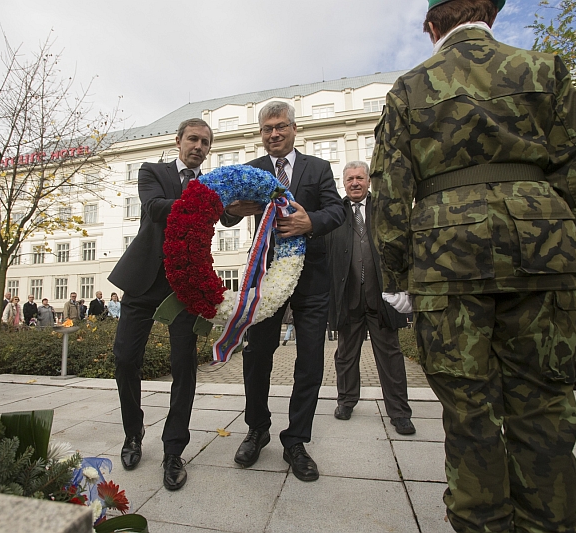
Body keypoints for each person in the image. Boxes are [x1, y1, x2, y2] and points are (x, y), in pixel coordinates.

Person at [369, 1, 576, 531]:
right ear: (488, 13)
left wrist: (396, 275)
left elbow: (391, 188)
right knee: (545, 410)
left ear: (431, 26)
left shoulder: (410, 88)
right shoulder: (544, 69)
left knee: (468, 413)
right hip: (543, 254)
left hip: (447, 262)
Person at [108, 118, 234, 491]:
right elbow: (156, 208)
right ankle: (134, 433)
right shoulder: (152, 171)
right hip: (144, 281)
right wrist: (204, 200)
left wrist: (245, 201)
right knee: (125, 358)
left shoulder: (213, 184)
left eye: (206, 142)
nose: (199, 146)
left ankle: (173, 449)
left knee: (184, 367)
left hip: (186, 285)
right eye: (193, 139)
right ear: (178, 141)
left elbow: (228, 216)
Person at [222, 101, 344, 482]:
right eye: (266, 129)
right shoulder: (253, 171)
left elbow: (337, 210)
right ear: (261, 134)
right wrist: (234, 210)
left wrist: (313, 221)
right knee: (257, 354)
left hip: (312, 279)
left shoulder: (318, 168)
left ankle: (296, 441)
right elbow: (225, 212)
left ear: (294, 128)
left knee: (309, 359)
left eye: (280, 127)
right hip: (265, 277)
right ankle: (257, 428)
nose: (273, 134)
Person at [327, 162, 413, 431]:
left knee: (390, 355)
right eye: (350, 178)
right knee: (345, 355)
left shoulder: (384, 210)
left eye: (360, 178)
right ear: (344, 182)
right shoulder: (334, 213)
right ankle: (346, 401)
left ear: (368, 182)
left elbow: (403, 246)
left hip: (382, 297)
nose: (355, 183)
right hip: (347, 296)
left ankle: (399, 413)